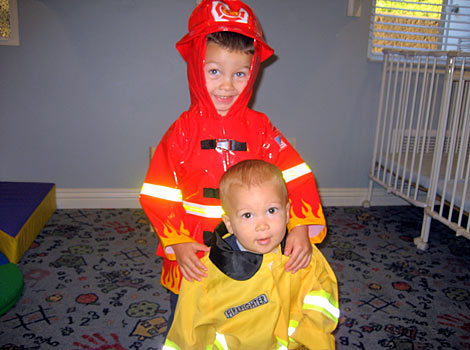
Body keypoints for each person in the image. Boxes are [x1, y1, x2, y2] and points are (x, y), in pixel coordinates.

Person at [139, 0, 327, 327]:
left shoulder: (262, 129)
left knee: (251, 316)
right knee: (189, 320)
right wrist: (177, 242)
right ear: (195, 69)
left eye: (239, 73)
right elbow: (158, 193)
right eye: (214, 71)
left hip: (253, 243)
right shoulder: (181, 132)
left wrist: (299, 225)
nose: (227, 85)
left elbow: (296, 177)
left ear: (252, 72)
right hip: (195, 253)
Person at [163, 159, 339, 349]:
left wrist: (311, 339)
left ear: (288, 212)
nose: (262, 225)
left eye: (271, 210)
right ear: (229, 223)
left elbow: (322, 302)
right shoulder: (205, 275)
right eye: (248, 215)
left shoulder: (304, 256)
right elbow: (187, 337)